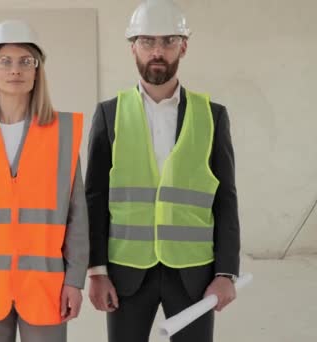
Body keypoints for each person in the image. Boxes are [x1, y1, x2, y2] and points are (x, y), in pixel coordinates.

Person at [85, 1, 241, 341]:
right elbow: (93, 199)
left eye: (168, 41)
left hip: (194, 275)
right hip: (125, 273)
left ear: (183, 46)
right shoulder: (109, 115)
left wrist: (226, 272)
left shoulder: (212, 116)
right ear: (133, 47)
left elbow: (225, 199)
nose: (158, 51)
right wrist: (96, 271)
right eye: (147, 42)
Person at [0, 19, 89, 342]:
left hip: (45, 286)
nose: (15, 70)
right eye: (4, 61)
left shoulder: (62, 134)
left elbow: (77, 216)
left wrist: (75, 280)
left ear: (37, 71)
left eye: (26, 61)